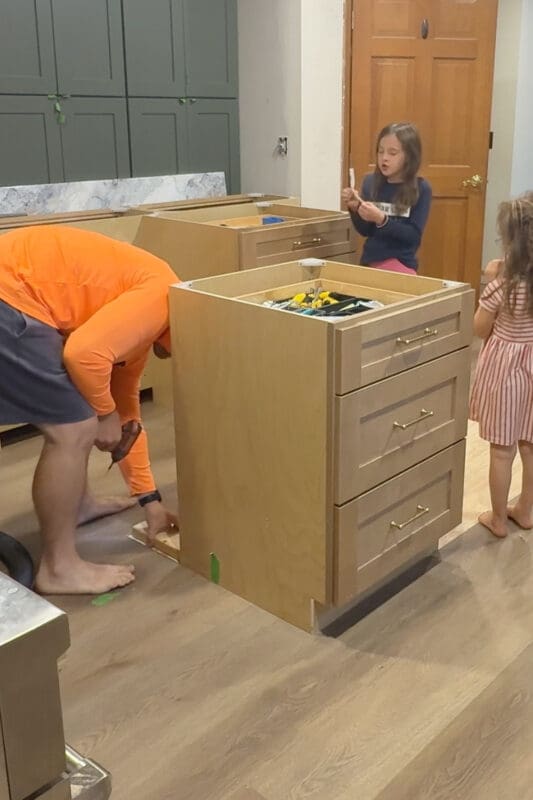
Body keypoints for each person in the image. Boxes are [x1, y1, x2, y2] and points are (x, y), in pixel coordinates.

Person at [0, 225, 179, 593]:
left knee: (80, 409)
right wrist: (104, 414)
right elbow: (83, 355)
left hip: (15, 289)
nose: (171, 358)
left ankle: (79, 506)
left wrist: (151, 502)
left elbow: (128, 414)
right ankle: (59, 568)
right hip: (10, 292)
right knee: (74, 429)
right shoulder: (160, 297)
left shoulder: (146, 325)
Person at [470, 192, 533, 538]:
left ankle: (497, 518)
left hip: (507, 368)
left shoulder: (503, 283)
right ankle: (525, 509)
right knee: (530, 442)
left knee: (502, 449)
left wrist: (488, 283)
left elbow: (480, 328)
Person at [341, 122, 432, 274]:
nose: (384, 158)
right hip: (370, 262)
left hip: (402, 265)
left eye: (393, 153)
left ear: (409, 156)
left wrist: (382, 220)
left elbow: (412, 237)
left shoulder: (422, 188)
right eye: (380, 151)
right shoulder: (370, 182)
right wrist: (355, 208)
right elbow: (366, 231)